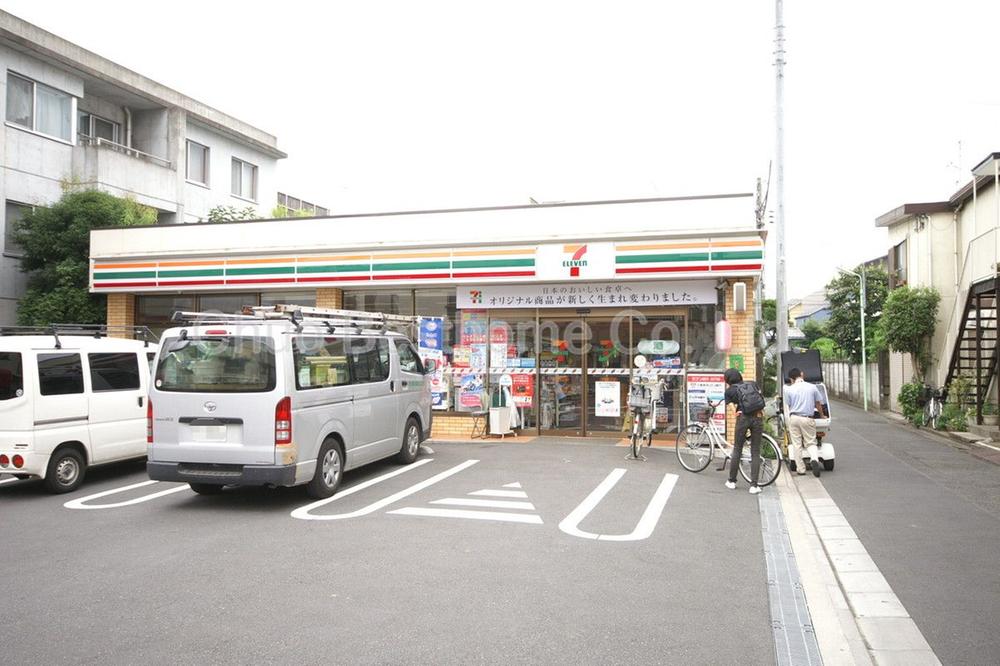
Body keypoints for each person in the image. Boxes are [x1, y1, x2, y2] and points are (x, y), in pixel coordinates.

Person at [723, 368, 764, 494]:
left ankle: (731, 481)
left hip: (743, 419)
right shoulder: (752, 384)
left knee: (737, 449)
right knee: (755, 451)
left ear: (728, 380)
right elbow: (759, 398)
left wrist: (737, 413)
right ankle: (754, 485)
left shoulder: (729, 391)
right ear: (740, 376)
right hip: (757, 418)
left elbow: (732, 409)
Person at [784, 367, 827, 477]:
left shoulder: (789, 389)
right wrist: (822, 416)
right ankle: (814, 459)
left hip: (794, 418)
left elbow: (789, 405)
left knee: (797, 444)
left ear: (791, 379)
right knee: (811, 442)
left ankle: (801, 469)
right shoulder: (812, 387)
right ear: (802, 374)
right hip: (807, 418)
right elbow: (818, 404)